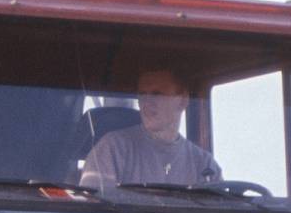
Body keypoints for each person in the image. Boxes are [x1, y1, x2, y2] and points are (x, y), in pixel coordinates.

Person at [79, 68, 222, 189]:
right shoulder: (113, 148)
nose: (147, 103)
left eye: (156, 94)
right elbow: (93, 210)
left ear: (183, 100)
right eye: (142, 95)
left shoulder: (204, 164)